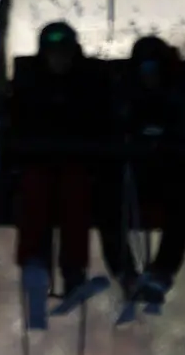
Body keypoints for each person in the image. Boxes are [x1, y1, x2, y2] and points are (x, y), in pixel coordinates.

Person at [8, 21, 110, 331]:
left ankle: (73, 272)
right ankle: (35, 265)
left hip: (75, 166)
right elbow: (12, 122)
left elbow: (100, 122)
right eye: (53, 54)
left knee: (75, 197)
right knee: (35, 192)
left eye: (64, 54)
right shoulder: (28, 85)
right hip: (37, 165)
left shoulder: (87, 86)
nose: (59, 61)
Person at [90, 35, 185, 324]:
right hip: (132, 173)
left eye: (156, 69)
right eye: (145, 69)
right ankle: (125, 272)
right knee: (107, 201)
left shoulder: (179, 94)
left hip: (168, 173)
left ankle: (162, 272)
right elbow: (109, 128)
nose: (150, 76)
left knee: (184, 202)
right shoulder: (124, 93)